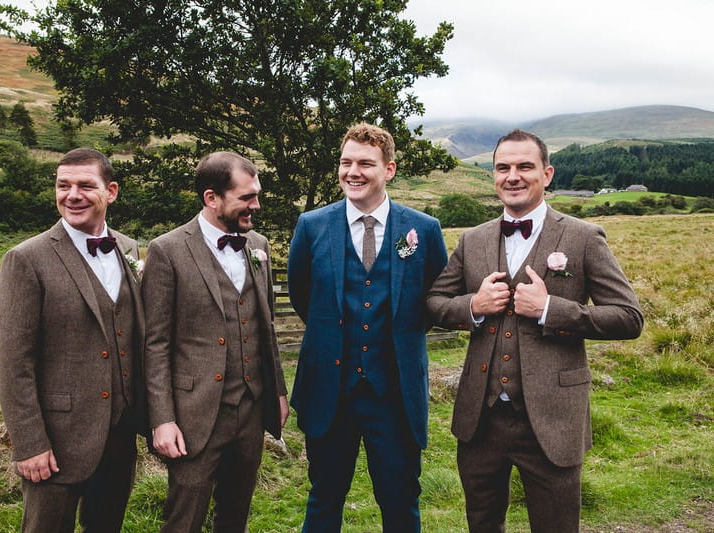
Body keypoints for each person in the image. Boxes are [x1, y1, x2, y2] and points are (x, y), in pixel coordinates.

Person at [426, 129, 643, 532]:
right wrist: (472, 305)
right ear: (492, 176)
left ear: (547, 174)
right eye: (502, 167)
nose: (513, 176)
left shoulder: (582, 237)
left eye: (525, 166)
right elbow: (435, 304)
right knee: (482, 524)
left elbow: (629, 317)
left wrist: (550, 309)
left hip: (553, 419)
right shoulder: (472, 240)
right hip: (481, 420)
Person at [287, 122, 448, 532]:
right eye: (345, 162)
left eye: (364, 163)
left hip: (394, 393)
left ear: (389, 170)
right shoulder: (311, 225)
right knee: (324, 497)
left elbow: (433, 300)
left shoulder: (423, 230)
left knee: (400, 501)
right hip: (330, 391)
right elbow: (303, 297)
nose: (352, 172)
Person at [0, 148, 146, 532]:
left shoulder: (128, 249)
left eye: (85, 185)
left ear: (111, 191)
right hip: (56, 440)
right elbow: (14, 363)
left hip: (120, 434)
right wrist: (29, 444)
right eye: (63, 186)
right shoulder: (26, 258)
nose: (72, 195)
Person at [141, 151, 289, 532]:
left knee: (235, 515)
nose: (255, 205)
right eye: (246, 198)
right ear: (212, 198)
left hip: (252, 410)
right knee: (184, 519)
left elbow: (265, 324)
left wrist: (278, 393)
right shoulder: (168, 250)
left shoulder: (258, 244)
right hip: (194, 413)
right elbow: (155, 343)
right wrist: (162, 419)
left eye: (256, 194)